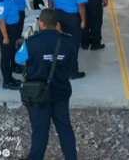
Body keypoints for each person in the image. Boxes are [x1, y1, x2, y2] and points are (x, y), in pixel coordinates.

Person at [15, 8, 78, 160]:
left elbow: (18, 59)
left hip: (37, 94)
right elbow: (71, 67)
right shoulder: (69, 42)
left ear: (41, 23)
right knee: (64, 127)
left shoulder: (31, 42)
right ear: (57, 24)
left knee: (40, 130)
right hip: (61, 90)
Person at [47, 0, 87, 79]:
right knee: (74, 44)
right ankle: (73, 71)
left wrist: (51, 14)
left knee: (60, 43)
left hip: (58, 15)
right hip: (72, 17)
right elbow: (81, 4)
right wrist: (83, 20)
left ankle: (61, 68)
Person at [0, 0, 22, 90]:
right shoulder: (1, 2)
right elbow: (1, 21)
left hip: (12, 28)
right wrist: (5, 37)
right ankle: (6, 81)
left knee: (11, 54)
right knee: (6, 57)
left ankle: (10, 78)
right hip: (7, 30)